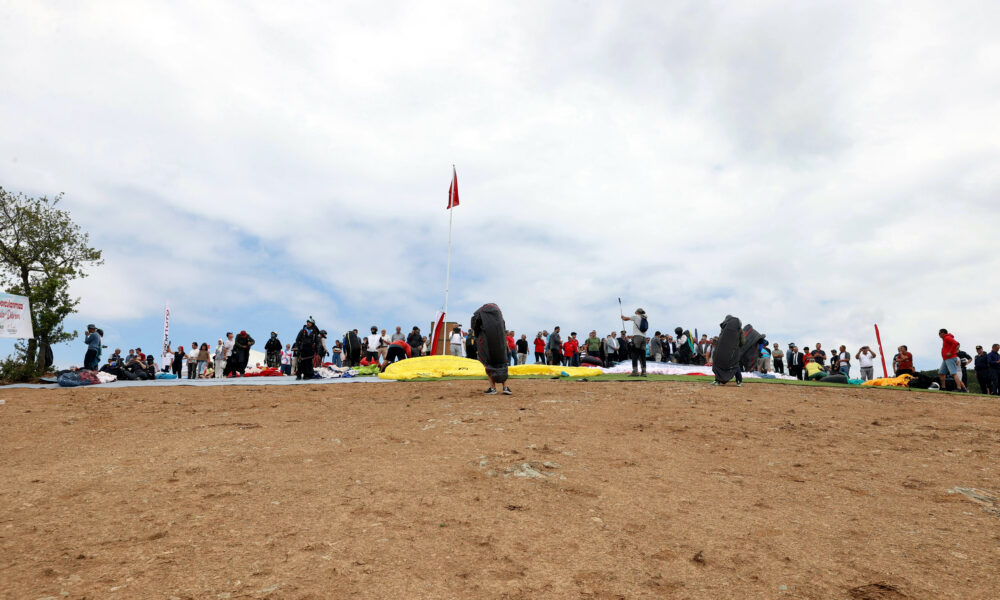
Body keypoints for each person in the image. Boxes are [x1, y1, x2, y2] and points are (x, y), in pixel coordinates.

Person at [471, 303, 512, 395]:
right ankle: (505, 387)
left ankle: (493, 388)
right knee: (502, 363)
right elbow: (503, 328)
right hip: (500, 344)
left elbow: (474, 326)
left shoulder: (481, 313)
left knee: (489, 364)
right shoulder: (500, 317)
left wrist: (478, 336)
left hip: (487, 343)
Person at [621, 308, 649, 377]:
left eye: (636, 312)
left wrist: (623, 317)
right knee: (642, 355)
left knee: (634, 354)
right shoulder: (644, 318)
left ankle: (635, 371)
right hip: (644, 338)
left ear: (638, 312)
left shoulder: (636, 317)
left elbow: (625, 319)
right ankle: (644, 372)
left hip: (637, 338)